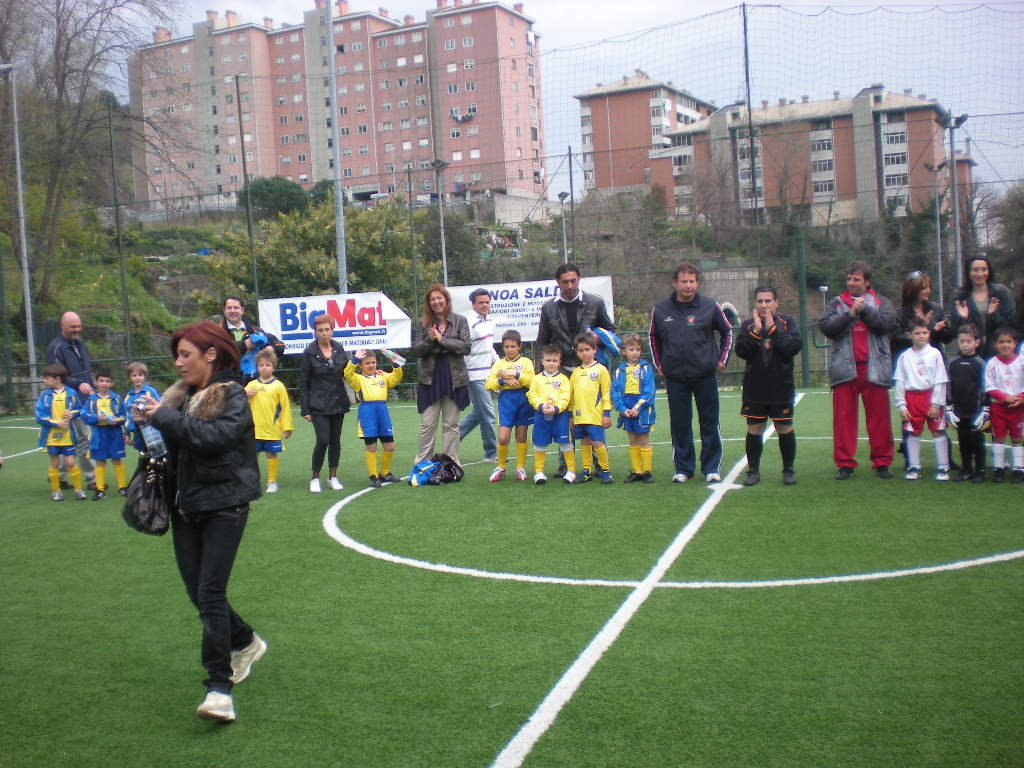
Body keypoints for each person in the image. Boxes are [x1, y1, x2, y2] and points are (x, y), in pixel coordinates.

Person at [133, 321, 266, 724]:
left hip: (226, 504)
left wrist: (164, 419)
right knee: (198, 593)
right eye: (176, 354)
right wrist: (146, 425)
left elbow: (214, 438)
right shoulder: (179, 398)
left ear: (211, 354)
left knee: (209, 593)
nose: (177, 363)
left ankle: (218, 688)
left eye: (185, 354)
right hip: (185, 505)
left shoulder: (234, 395)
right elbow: (176, 446)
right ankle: (245, 641)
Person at [649, 262, 733, 484]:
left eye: (692, 281)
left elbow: (727, 331)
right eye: (684, 281)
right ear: (675, 283)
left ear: (697, 282)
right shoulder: (661, 309)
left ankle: (711, 467)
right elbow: (653, 338)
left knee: (709, 421)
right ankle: (683, 468)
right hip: (675, 376)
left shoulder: (710, 306)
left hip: (704, 374)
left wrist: (722, 359)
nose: (688, 285)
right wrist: (659, 363)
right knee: (680, 423)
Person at [817, 260, 901, 480]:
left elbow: (887, 326)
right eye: (849, 279)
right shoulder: (837, 303)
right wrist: (851, 314)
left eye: (856, 279)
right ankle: (845, 464)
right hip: (845, 369)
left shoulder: (881, 302)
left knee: (880, 420)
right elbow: (827, 328)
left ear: (867, 282)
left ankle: (882, 462)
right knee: (844, 420)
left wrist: (864, 312)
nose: (851, 283)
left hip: (875, 368)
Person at [535, 263, 616, 477]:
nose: (570, 285)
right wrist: (538, 375)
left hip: (589, 370)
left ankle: (600, 465)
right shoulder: (548, 307)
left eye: (574, 280)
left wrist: (599, 337)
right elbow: (541, 341)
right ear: (558, 283)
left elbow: (611, 331)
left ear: (579, 279)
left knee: (594, 416)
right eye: (565, 282)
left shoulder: (595, 302)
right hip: (561, 372)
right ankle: (566, 466)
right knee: (563, 418)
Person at [734, 286, 801, 487]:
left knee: (784, 427)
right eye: (760, 301)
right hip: (755, 387)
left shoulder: (787, 323)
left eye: (768, 301)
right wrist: (755, 332)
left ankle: (788, 469)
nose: (764, 305)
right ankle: (753, 470)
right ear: (755, 303)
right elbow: (741, 351)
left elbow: (793, 347)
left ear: (776, 303)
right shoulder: (747, 325)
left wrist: (773, 330)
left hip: (781, 386)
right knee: (754, 428)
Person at [893, 270, 957, 472]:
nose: (927, 291)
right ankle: (910, 462)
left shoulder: (935, 308)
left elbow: (946, 338)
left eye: (928, 286)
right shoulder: (901, 313)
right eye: (922, 287)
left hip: (934, 365)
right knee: (910, 418)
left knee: (938, 412)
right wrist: (923, 331)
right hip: (911, 369)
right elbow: (895, 339)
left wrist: (943, 328)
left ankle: (947, 461)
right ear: (911, 290)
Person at [412, 283, 471, 466]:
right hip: (430, 380)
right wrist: (430, 338)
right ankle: (423, 463)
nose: (437, 302)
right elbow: (416, 350)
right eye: (433, 299)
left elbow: (466, 347)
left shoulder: (460, 321)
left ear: (446, 299)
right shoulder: (422, 324)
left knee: (451, 425)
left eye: (440, 298)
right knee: (427, 425)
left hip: (454, 379)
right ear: (429, 303)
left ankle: (451, 463)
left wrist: (443, 341)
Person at [298, 314, 351, 493]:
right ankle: (315, 478)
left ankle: (333, 477)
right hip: (318, 404)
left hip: (338, 402)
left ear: (332, 330)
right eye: (320, 330)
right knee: (322, 440)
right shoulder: (309, 352)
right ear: (315, 332)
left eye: (327, 329)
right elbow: (303, 382)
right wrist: (305, 408)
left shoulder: (339, 348)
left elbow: (347, 372)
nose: (324, 333)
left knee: (335, 441)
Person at [893, 320, 951, 481]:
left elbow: (941, 380)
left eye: (924, 332)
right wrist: (901, 405)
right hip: (912, 399)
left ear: (929, 334)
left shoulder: (935, 354)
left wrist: (936, 404)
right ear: (909, 335)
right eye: (917, 333)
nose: (921, 336)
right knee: (912, 433)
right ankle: (914, 467)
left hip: (931, 396)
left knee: (938, 431)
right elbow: (900, 381)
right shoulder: (904, 356)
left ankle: (943, 468)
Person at [44, 311, 96, 488]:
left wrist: (91, 385)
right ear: (62, 325)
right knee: (65, 439)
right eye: (73, 326)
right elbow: (55, 374)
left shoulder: (81, 344)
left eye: (79, 326)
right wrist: (77, 383)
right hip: (63, 401)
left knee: (86, 438)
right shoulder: (55, 347)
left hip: (84, 400)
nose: (77, 330)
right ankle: (59, 476)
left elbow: (86, 369)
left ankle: (91, 479)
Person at [344, 349, 404, 487]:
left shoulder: (382, 376)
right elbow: (347, 373)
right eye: (367, 363)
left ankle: (385, 473)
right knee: (371, 447)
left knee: (390, 446)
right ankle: (373, 476)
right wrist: (354, 360)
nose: (371, 365)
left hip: (382, 411)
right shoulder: (358, 379)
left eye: (373, 362)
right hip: (367, 413)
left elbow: (396, 378)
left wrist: (395, 364)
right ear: (361, 365)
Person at [486, 330, 535, 483]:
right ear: (503, 347)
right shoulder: (499, 364)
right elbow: (488, 384)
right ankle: (501, 467)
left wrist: (514, 374)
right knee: (503, 437)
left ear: (519, 346)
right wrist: (503, 381)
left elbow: (532, 380)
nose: (510, 349)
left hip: (523, 399)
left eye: (513, 346)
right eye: (506, 347)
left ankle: (520, 467)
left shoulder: (526, 362)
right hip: (506, 401)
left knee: (521, 435)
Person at [245, 348, 294, 494]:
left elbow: (285, 408)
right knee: (252, 455)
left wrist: (287, 427)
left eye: (267, 365)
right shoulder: (252, 385)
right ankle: (253, 480)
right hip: (254, 429)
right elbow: (239, 402)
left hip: (272, 429)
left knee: (271, 454)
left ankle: (272, 481)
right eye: (261, 365)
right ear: (257, 367)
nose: (264, 367)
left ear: (273, 367)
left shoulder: (278, 386)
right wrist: (244, 393)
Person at [35, 363, 86, 502]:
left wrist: (73, 414)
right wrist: (55, 422)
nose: (45, 380)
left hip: (67, 435)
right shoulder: (45, 395)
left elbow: (78, 409)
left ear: (57, 379)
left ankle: (78, 489)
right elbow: (39, 416)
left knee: (70, 462)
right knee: (55, 463)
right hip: (51, 436)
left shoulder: (71, 393)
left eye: (47, 378)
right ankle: (56, 491)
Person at [458, 289, 499, 462]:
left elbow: (488, 348)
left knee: (479, 413)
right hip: (474, 376)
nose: (485, 305)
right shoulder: (469, 323)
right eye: (481, 302)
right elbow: (463, 349)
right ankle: (491, 453)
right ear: (473, 304)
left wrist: (499, 363)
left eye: (487, 302)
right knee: (488, 414)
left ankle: (452, 439)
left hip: (487, 374)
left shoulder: (489, 321)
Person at [611, 334, 657, 483]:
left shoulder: (646, 368)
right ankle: (637, 471)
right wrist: (623, 409)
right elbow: (615, 391)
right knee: (632, 439)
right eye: (631, 349)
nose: (635, 352)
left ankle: (647, 472)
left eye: (638, 349)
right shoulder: (619, 370)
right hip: (627, 409)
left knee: (643, 439)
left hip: (642, 409)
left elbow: (650, 390)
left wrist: (638, 407)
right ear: (624, 351)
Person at [527, 345, 576, 484]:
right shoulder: (536, 379)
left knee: (565, 442)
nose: (551, 363)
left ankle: (571, 471)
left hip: (560, 416)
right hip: (541, 415)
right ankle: (539, 472)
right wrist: (541, 406)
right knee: (540, 443)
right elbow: (532, 395)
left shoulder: (564, 379)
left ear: (559, 362)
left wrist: (556, 408)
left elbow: (566, 397)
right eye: (548, 360)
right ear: (542, 361)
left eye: (554, 360)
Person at [569, 331, 613, 484]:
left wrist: (606, 413)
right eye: (581, 350)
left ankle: (606, 470)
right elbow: (572, 397)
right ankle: (587, 471)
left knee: (597, 442)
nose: (584, 353)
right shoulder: (575, 373)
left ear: (594, 350)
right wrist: (571, 416)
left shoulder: (601, 369)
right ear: (577, 352)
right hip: (579, 415)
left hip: (595, 414)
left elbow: (606, 393)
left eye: (587, 349)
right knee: (585, 442)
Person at [950, 256, 1015, 359]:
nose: (980, 274)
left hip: (998, 353)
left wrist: (993, 316)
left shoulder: (1001, 293)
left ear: (989, 271)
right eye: (975, 270)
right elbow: (954, 331)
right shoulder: (960, 296)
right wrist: (963, 319)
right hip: (971, 355)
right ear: (968, 272)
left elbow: (1010, 326)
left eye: (984, 269)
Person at [983, 328, 1024, 483]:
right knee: (999, 437)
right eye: (1001, 342)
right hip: (999, 407)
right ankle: (998, 468)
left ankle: (1018, 469)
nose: (1005, 345)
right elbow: (989, 386)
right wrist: (1005, 398)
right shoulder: (992, 364)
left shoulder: (1021, 361)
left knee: (1017, 438)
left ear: (1015, 344)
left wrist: (1020, 399)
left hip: (1018, 407)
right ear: (995, 344)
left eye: (1009, 342)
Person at [947, 324, 987, 483]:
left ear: (977, 342)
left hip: (975, 411)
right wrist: (950, 406)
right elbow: (949, 385)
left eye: (968, 341)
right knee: (963, 441)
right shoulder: (954, 363)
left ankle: (980, 470)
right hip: (959, 410)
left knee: (977, 441)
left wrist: (984, 409)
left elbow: (984, 387)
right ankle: (966, 469)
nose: (965, 344)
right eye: (962, 341)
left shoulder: (980, 363)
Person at [81, 367, 128, 500]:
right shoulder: (91, 400)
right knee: (100, 461)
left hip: (114, 434)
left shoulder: (117, 399)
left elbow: (124, 416)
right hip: (98, 434)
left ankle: (122, 487)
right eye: (101, 381)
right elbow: (84, 415)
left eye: (107, 381)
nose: (104, 383)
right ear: (96, 383)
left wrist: (116, 421)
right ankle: (100, 490)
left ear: (112, 383)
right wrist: (97, 418)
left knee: (117, 460)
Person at [220, 296, 286, 379]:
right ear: (224, 310)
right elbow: (219, 353)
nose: (233, 310)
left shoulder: (255, 330)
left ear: (242, 310)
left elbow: (280, 346)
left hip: (255, 383)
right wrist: (245, 345)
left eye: (236, 307)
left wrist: (271, 349)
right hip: (227, 382)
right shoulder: (217, 332)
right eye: (229, 308)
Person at [124, 362, 162, 453]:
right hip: (138, 432)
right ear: (130, 377)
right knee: (143, 454)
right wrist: (127, 432)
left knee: (158, 454)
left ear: (144, 376)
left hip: (152, 429)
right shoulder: (129, 396)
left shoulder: (150, 391)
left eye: (140, 375)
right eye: (134, 375)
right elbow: (126, 415)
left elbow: (159, 407)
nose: (137, 378)